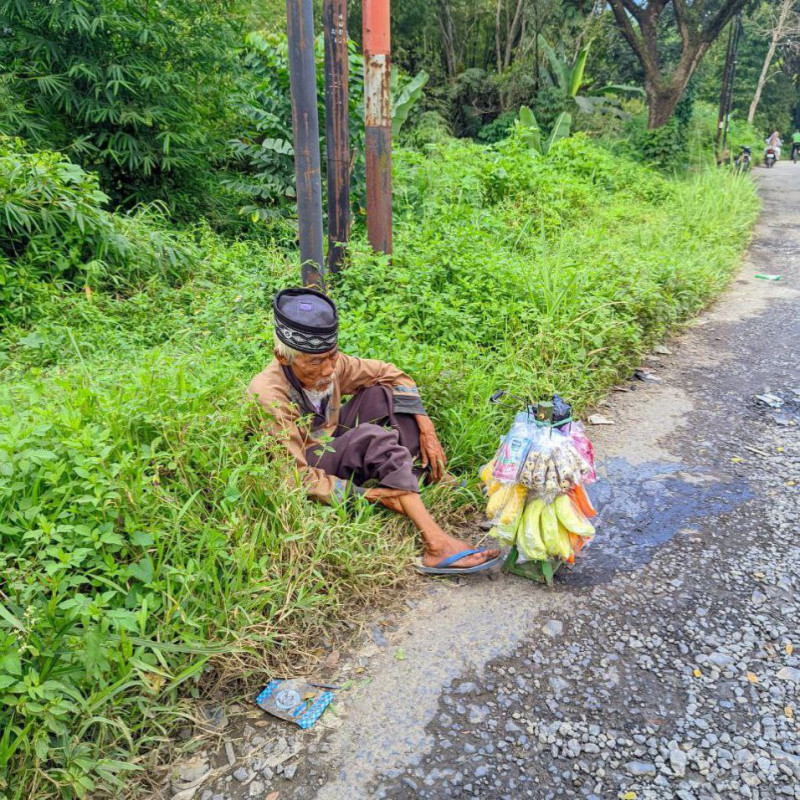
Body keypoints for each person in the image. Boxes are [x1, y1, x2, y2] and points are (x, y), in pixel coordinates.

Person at [248, 288, 500, 574]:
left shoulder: (332, 364)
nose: (329, 369)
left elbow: (393, 375)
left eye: (333, 356)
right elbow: (294, 477)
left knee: (384, 393)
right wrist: (367, 495)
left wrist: (427, 429)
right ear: (284, 358)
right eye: (316, 362)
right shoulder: (269, 395)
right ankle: (436, 544)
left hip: (331, 440)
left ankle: (421, 477)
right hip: (309, 458)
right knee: (371, 438)